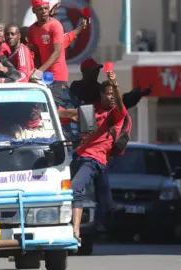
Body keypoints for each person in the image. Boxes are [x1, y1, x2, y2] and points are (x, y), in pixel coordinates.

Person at [70, 71, 127, 244]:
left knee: (75, 188)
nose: (111, 97)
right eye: (108, 94)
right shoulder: (92, 110)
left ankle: (75, 231)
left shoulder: (117, 114)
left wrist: (115, 84)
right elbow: (71, 114)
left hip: (94, 160)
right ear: (101, 95)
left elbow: (118, 104)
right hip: (78, 155)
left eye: (113, 95)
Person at [28, 0, 69, 106]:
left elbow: (57, 52)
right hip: (42, 76)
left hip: (57, 76)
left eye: (46, 8)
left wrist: (39, 71)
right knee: (41, 108)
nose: (44, 11)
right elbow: (35, 53)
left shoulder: (55, 25)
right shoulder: (32, 30)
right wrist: (35, 71)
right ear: (34, 10)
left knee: (52, 107)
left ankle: (74, 114)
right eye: (40, 9)